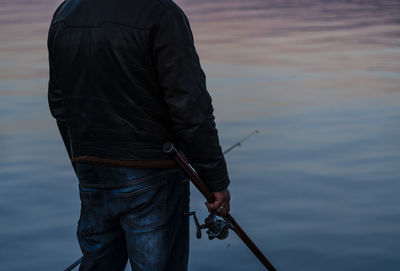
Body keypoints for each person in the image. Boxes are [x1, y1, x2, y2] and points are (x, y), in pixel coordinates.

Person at [48, 0, 231, 270]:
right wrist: (215, 179)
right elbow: (189, 107)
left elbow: (58, 103)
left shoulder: (65, 14)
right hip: (152, 175)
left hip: (93, 175)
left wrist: (83, 161)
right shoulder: (162, 12)